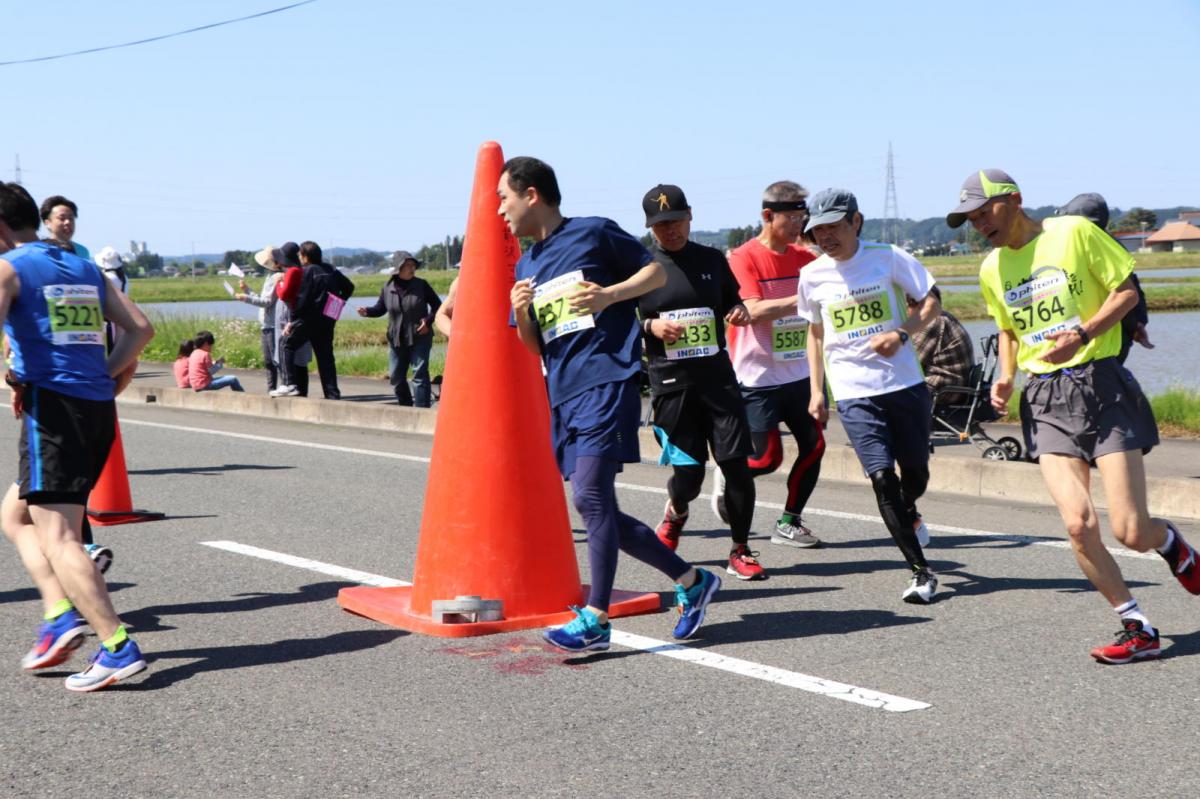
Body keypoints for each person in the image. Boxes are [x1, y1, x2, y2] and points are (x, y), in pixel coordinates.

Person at [948, 168, 1195, 662]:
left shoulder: (1074, 232)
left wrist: (1083, 333)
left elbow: (1125, 291)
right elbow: (1008, 330)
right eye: (971, 220)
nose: (980, 225)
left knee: (1130, 530)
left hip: (1099, 383)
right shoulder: (992, 267)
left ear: (1014, 200)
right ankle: (1136, 625)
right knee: (1079, 525)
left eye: (984, 212)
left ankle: (1173, 545)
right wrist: (1005, 376)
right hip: (1043, 397)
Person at [501, 156, 720, 651]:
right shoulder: (527, 264)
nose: (500, 210)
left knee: (593, 499)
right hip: (564, 392)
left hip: (607, 380)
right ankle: (693, 581)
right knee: (593, 506)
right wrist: (522, 314)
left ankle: (597, 618)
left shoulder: (594, 232)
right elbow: (535, 346)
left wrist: (610, 296)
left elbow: (654, 275)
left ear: (531, 194)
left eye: (504, 197)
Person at [0, 181, 154, 691]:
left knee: (59, 534)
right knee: (14, 513)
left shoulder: (9, 268)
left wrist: (16, 371)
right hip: (95, 407)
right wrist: (103, 377)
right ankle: (60, 611)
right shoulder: (83, 266)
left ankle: (116, 646)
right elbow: (140, 329)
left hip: (54, 412)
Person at [801, 188, 942, 603]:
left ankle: (910, 509)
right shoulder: (812, 275)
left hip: (904, 386)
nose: (824, 238)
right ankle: (921, 572)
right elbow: (815, 332)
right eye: (817, 231)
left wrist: (900, 333)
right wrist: (816, 389)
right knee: (883, 479)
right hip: (853, 392)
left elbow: (931, 304)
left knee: (914, 474)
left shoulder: (889, 256)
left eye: (832, 228)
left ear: (855, 221)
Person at [635, 184, 762, 580]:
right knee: (689, 478)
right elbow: (619, 322)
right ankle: (677, 511)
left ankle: (740, 549)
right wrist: (650, 326)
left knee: (736, 467)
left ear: (690, 217)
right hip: (672, 385)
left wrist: (738, 311)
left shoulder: (711, 259)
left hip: (718, 380)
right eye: (660, 226)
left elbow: (730, 301)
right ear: (649, 228)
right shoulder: (642, 267)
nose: (669, 231)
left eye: (675, 221)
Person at [715, 180, 826, 549]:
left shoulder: (805, 259)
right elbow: (753, 310)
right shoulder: (743, 257)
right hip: (756, 375)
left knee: (814, 446)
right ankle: (729, 472)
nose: (798, 225)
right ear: (767, 215)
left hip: (798, 371)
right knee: (765, 461)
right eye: (791, 217)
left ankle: (789, 522)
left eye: (802, 217)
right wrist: (804, 298)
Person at [1054, 193, 1153, 365]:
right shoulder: (1110, 244)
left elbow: (1127, 294)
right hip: (1091, 339)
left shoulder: (1088, 246)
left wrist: (1135, 325)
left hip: (1096, 342)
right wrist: (1138, 324)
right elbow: (1134, 287)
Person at [356, 250, 442, 407]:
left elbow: (438, 306)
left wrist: (428, 321)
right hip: (397, 337)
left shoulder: (421, 285)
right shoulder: (388, 287)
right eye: (407, 265)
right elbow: (380, 308)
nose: (412, 268)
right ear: (398, 268)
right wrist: (367, 311)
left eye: (413, 265)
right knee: (396, 376)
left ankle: (421, 410)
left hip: (420, 335)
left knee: (419, 374)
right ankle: (406, 407)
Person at [279, 241, 353, 400]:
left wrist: (292, 321)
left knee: (286, 343)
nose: (300, 258)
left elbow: (302, 298)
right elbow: (349, 287)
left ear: (305, 257)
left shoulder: (306, 271)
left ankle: (289, 384)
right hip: (328, 319)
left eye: (301, 255)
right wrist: (337, 304)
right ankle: (332, 394)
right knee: (325, 356)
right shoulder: (331, 269)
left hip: (308, 319)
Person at [906, 285, 974, 405]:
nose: (905, 311)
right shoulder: (944, 316)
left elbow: (910, 363)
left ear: (919, 305)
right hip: (955, 384)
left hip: (945, 389)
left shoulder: (933, 322)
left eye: (907, 305)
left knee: (892, 392)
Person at [236, 246, 285, 393]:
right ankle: (272, 389)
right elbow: (264, 299)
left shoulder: (277, 277)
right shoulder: (271, 276)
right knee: (269, 362)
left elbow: (266, 302)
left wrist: (246, 298)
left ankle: (281, 387)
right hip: (266, 324)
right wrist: (247, 290)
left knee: (275, 361)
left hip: (272, 324)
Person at [270, 242, 312, 398]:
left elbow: (284, 294)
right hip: (298, 315)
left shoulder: (293, 271)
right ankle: (293, 386)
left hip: (293, 316)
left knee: (285, 345)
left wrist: (278, 284)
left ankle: (289, 384)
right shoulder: (300, 270)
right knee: (291, 350)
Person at [39, 195, 90, 261]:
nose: (67, 222)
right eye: (62, 218)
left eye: (71, 218)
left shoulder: (83, 251)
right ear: (47, 223)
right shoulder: (40, 250)